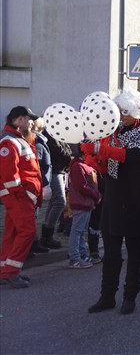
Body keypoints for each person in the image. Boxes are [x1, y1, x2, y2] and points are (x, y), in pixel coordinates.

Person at [82, 90, 140, 315]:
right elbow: (104, 165)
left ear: (135, 112)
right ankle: (107, 296)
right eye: (117, 112)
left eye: (124, 113)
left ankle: (130, 297)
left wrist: (101, 149)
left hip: (138, 197)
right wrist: (93, 157)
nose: (119, 116)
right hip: (114, 196)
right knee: (111, 252)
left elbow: (134, 156)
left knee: (135, 250)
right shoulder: (111, 130)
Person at [0, 106, 43, 288]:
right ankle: (10, 273)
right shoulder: (9, 142)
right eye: (28, 119)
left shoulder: (17, 140)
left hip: (20, 197)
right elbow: (9, 176)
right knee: (27, 232)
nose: (31, 123)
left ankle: (5, 271)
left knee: (13, 232)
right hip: (18, 197)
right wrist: (22, 195)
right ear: (18, 120)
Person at [66, 147, 101, 269]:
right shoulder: (78, 166)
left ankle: (82, 254)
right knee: (77, 231)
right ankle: (74, 258)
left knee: (80, 231)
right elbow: (82, 186)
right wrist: (96, 195)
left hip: (86, 203)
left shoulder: (84, 165)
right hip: (81, 203)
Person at [40, 123, 73, 248]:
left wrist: (67, 154)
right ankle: (47, 234)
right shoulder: (49, 136)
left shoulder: (57, 135)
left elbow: (67, 150)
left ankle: (46, 235)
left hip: (59, 171)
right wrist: (68, 155)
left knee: (54, 202)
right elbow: (61, 153)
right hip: (54, 172)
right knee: (59, 202)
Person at [30, 118, 51, 254]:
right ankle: (31, 245)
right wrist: (45, 184)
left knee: (34, 215)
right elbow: (37, 166)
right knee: (32, 216)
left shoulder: (40, 141)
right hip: (37, 184)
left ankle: (33, 242)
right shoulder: (38, 143)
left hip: (39, 183)